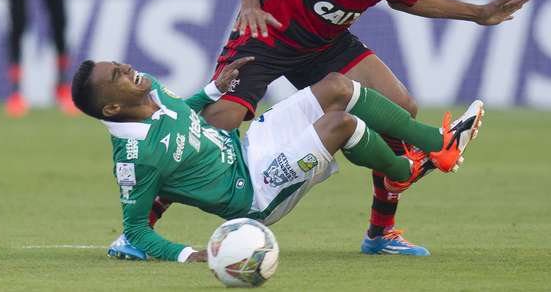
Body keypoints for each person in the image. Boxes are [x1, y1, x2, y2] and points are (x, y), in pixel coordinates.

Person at [129, 0, 529, 257]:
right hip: (269, 34)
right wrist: (250, 5)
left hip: (325, 44)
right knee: (216, 127)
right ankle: (140, 228)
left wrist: (477, 13)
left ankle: (381, 232)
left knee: (401, 106)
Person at [70, 57, 485, 262]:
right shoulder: (134, 157)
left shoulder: (153, 91)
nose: (126, 68)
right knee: (339, 124)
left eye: (118, 65)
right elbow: (135, 232)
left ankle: (439, 141)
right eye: (116, 77)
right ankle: (404, 171)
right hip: (256, 193)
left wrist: (213, 90)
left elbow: (184, 109)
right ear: (110, 110)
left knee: (339, 86)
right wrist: (188, 254)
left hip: (250, 147)